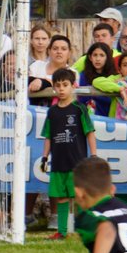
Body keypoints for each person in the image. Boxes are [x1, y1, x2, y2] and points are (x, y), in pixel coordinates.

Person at [42, 68, 96, 241]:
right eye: (58, 86)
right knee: (62, 197)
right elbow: (48, 136)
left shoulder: (79, 109)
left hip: (77, 163)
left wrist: (93, 155)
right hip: (58, 163)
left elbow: (90, 132)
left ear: (73, 86)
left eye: (65, 85)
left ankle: (84, 230)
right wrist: (44, 157)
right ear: (54, 88)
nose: (61, 89)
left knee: (80, 196)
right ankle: (62, 232)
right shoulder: (52, 112)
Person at [77, 42, 116, 117]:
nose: (98, 59)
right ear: (90, 57)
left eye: (102, 55)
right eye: (95, 55)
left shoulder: (114, 75)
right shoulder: (83, 75)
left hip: (111, 118)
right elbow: (81, 99)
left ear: (107, 57)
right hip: (90, 118)